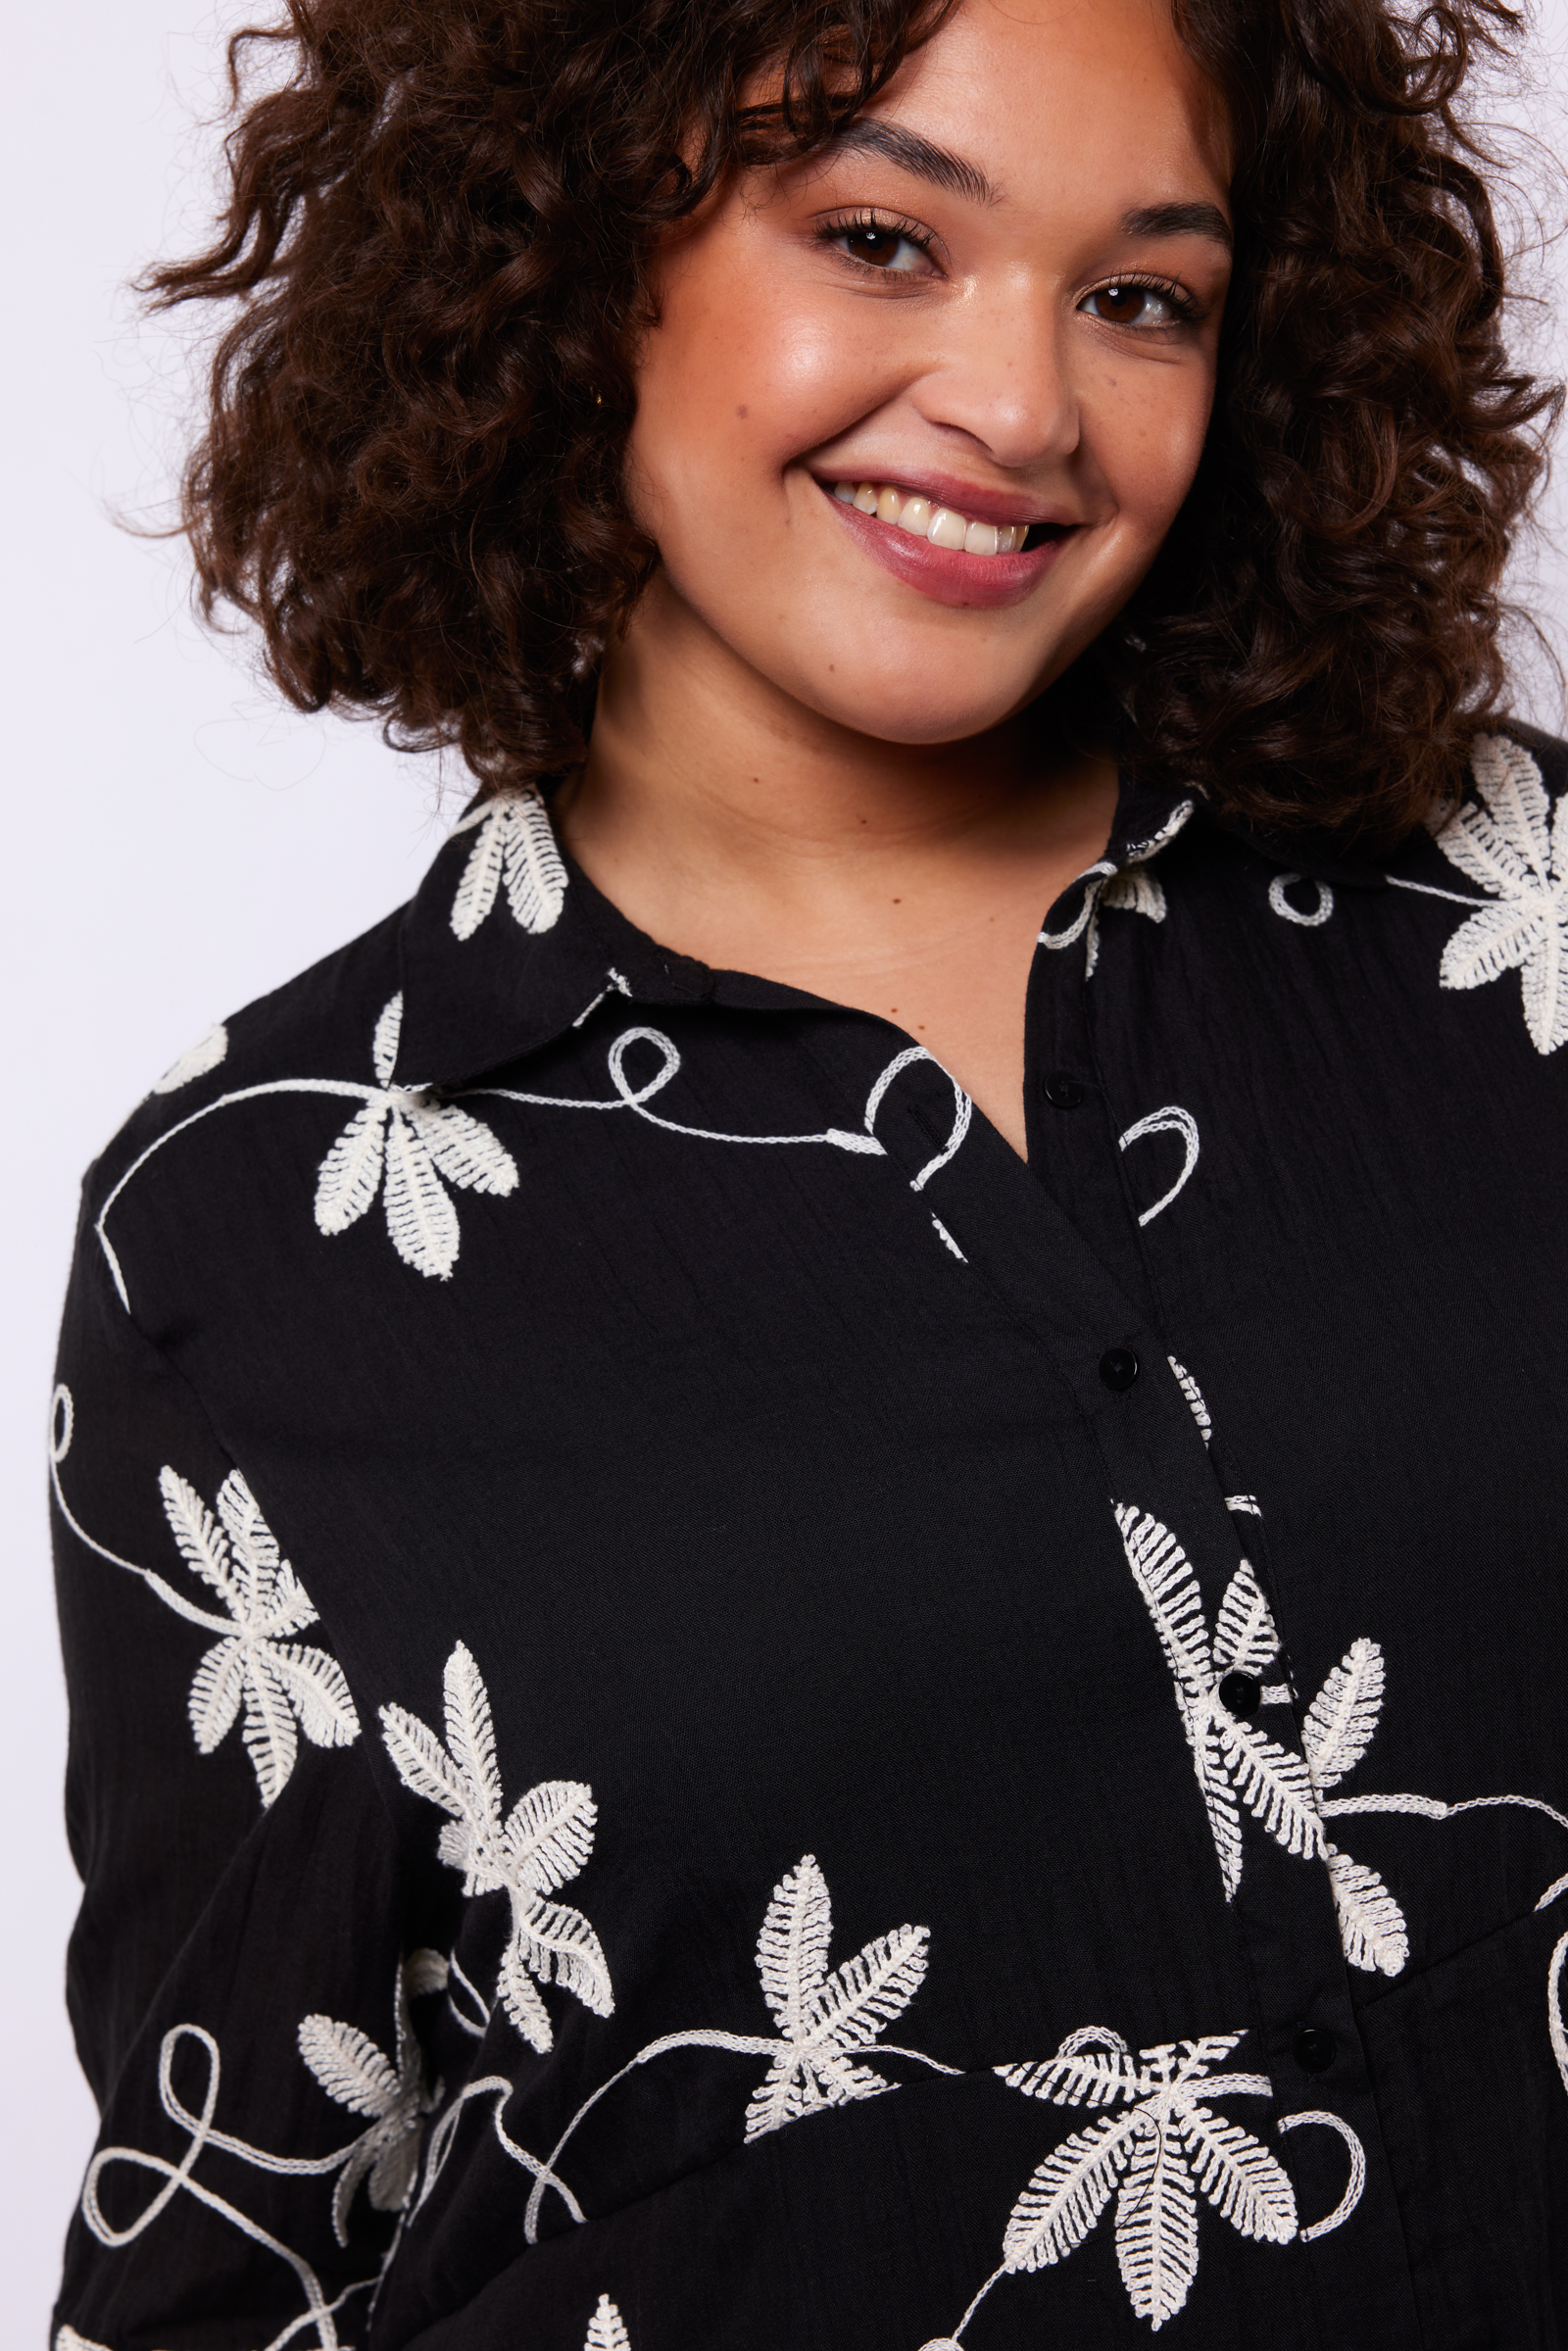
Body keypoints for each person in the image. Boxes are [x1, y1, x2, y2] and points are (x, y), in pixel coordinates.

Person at [47, 0, 1568, 2341]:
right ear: (569, 252)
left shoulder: (1511, 921)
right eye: (877, 239)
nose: (1022, 406)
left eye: (1137, 294)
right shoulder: (259, 1233)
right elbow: (250, 2237)